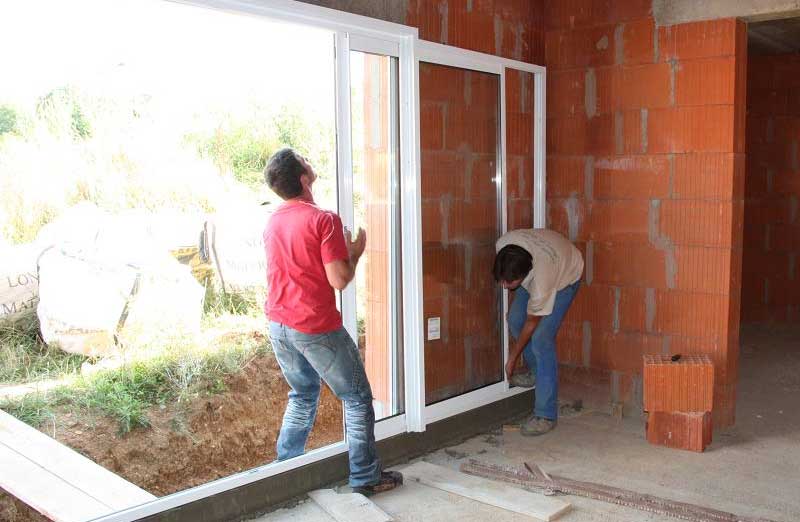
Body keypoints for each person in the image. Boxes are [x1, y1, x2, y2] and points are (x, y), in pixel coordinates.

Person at [262, 148, 402, 496]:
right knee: (356, 398)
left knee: (303, 394)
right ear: (304, 178)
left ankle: (285, 471)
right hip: (313, 326)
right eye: (304, 160)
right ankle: (365, 477)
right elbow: (338, 280)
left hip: (279, 324)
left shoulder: (273, 220)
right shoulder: (322, 219)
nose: (310, 160)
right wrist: (354, 255)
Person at [493, 228, 583, 436]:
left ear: (524, 276)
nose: (505, 287)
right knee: (515, 319)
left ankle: (546, 415)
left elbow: (533, 322)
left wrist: (512, 359)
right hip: (544, 259)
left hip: (565, 276)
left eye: (510, 283)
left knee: (542, 339)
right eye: (502, 280)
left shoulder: (542, 282)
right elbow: (522, 320)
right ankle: (537, 372)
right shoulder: (503, 245)